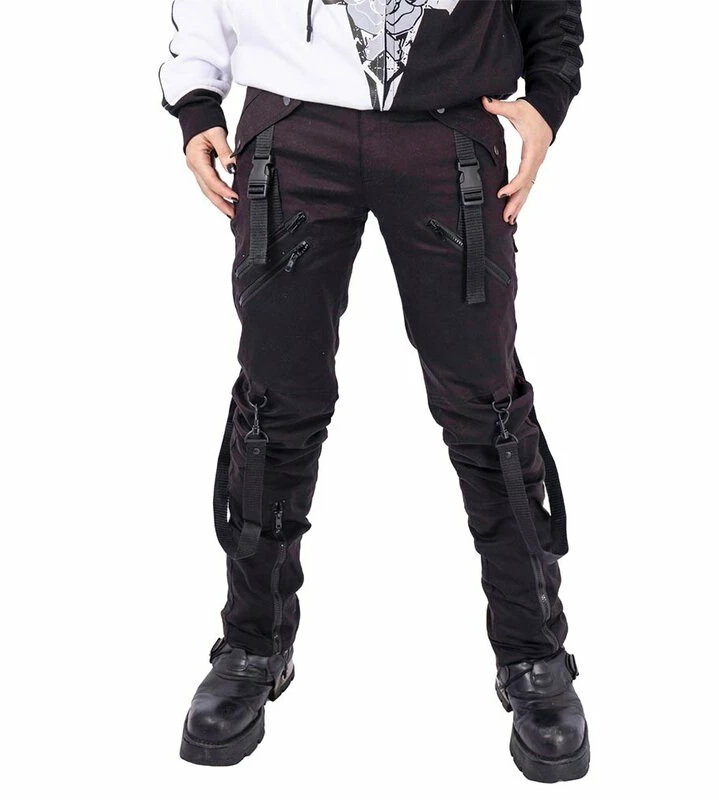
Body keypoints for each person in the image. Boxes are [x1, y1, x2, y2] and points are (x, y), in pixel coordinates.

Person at [159, 0, 586, 782]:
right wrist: (196, 100)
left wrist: (549, 98)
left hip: (450, 128)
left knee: (486, 407)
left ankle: (534, 654)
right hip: (292, 127)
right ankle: (253, 644)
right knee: (274, 404)